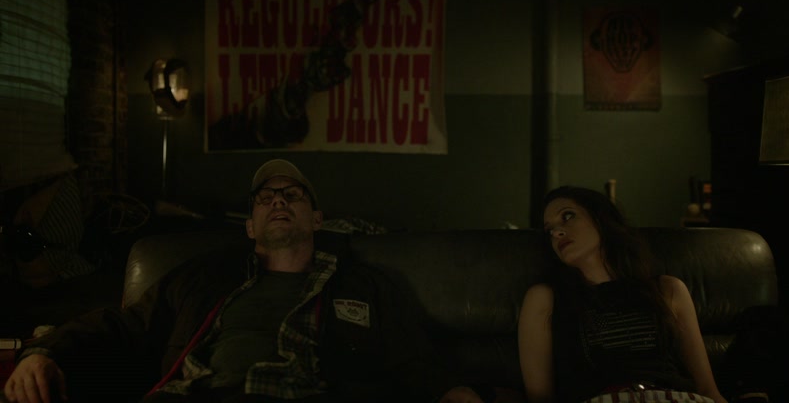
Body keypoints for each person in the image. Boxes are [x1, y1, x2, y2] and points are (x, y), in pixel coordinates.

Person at [3, 159, 486, 403]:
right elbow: (125, 325)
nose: (278, 200)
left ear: (317, 219)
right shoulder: (202, 276)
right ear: (251, 226)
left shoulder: (363, 285)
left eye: (292, 194)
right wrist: (45, 352)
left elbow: (413, 358)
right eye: (265, 197)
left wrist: (453, 391)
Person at [517, 186, 728, 403]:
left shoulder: (668, 289)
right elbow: (539, 398)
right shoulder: (545, 298)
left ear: (601, 218)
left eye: (567, 216)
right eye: (549, 230)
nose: (556, 233)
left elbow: (708, 390)